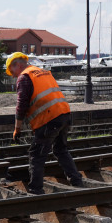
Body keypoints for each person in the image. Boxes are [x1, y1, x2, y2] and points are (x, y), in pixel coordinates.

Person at [6, 52, 83, 194]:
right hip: (64, 114)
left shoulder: (25, 77)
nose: (12, 75)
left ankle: (36, 190)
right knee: (60, 150)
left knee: (36, 154)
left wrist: (17, 128)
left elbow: (21, 105)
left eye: (12, 71)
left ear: (18, 64)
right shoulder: (43, 72)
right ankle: (77, 181)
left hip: (49, 119)